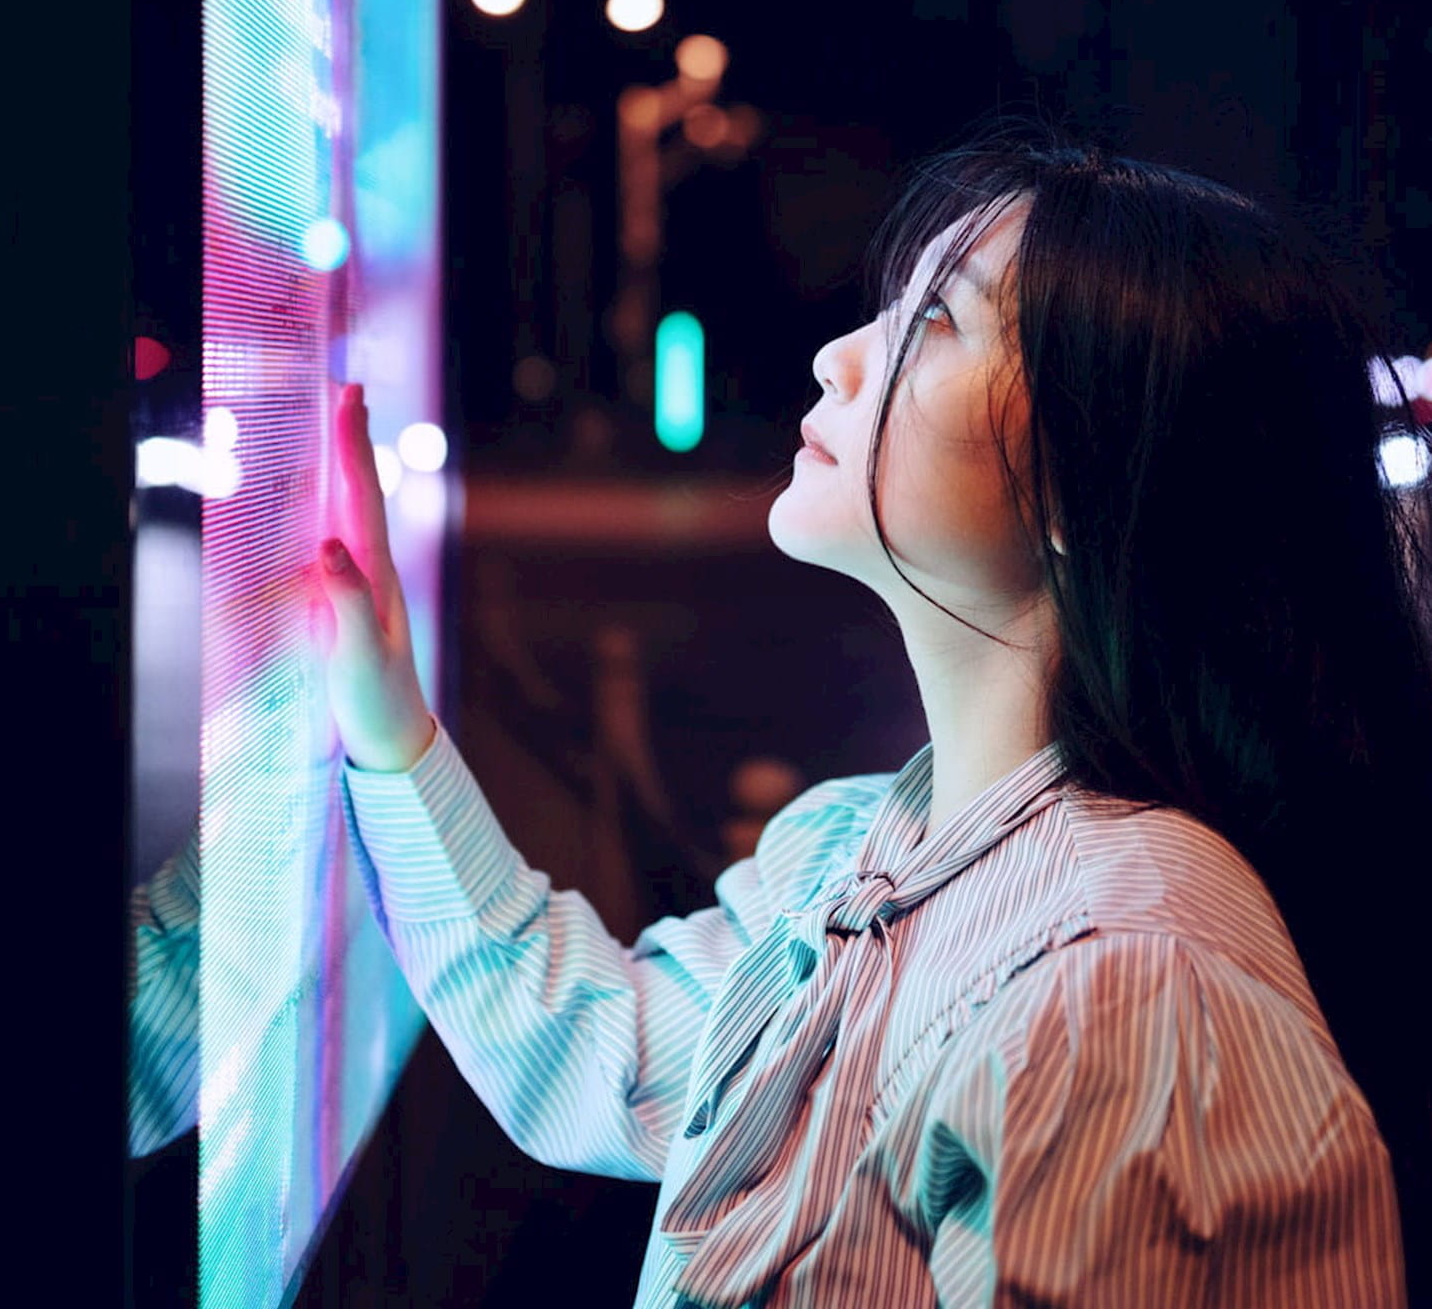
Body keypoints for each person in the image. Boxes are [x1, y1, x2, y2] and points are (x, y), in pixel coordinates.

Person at [313, 124, 1431, 1306]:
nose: (839, 358)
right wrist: (393, 733)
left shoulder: (1126, 987)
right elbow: (609, 1055)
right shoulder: (855, 846)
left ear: (1092, 475)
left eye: (934, 320)